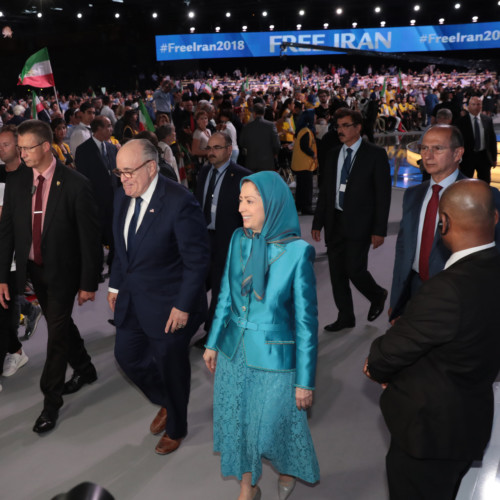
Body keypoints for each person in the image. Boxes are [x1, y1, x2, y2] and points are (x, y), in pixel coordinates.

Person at [365, 179, 500, 500]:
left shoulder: (446, 290)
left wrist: (378, 368)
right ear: (494, 218)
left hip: (429, 435)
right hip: (470, 421)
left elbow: (384, 355)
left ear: (444, 223)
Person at [203, 171, 320, 500]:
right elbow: (225, 295)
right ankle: (247, 488)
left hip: (274, 359)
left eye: (250, 201)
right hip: (233, 353)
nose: (241, 207)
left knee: (274, 426)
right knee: (239, 424)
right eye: (241, 200)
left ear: (272, 205)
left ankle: (285, 468)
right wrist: (212, 343)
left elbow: (306, 323)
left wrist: (305, 381)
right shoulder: (238, 239)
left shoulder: (298, 253)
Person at [108, 138, 209, 455]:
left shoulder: (180, 202)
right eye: (119, 172)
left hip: (170, 306)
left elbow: (197, 262)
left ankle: (177, 426)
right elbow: (122, 251)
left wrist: (182, 305)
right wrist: (114, 285)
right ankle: (166, 401)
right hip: (132, 300)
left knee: (171, 368)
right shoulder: (122, 197)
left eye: (129, 171)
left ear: (151, 167)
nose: (123, 178)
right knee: (127, 357)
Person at [0, 119, 102, 433]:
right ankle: (85, 369)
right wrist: (3, 275)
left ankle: (50, 402)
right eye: (19, 147)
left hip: (64, 273)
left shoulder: (75, 183)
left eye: (27, 147)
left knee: (55, 333)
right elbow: (6, 233)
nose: (22, 153)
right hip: (33, 271)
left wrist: (88, 282)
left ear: (46, 147)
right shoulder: (16, 182)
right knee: (62, 322)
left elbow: (90, 238)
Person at [389, 124, 500, 321]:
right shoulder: (413, 195)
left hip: (459, 297)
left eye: (437, 148)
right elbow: (403, 249)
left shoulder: (484, 196)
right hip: (415, 290)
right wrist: (397, 301)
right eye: (424, 148)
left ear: (458, 153)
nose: (428, 156)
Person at [312, 108, 391, 332]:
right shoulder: (332, 154)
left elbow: (383, 196)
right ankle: (345, 316)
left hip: (361, 222)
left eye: (346, 125)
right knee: (337, 273)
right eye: (338, 126)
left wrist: (380, 230)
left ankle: (377, 294)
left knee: (355, 269)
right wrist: (318, 222)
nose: (341, 130)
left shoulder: (375, 154)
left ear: (358, 128)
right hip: (334, 220)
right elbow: (326, 192)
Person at [194, 131, 250, 345]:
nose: (211, 152)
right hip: (203, 238)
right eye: (209, 148)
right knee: (198, 283)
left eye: (216, 148)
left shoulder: (242, 176)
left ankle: (215, 333)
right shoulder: (204, 171)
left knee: (220, 287)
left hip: (228, 240)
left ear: (228, 150)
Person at [75, 116, 119, 274]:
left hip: (113, 200)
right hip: (94, 202)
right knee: (95, 238)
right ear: (98, 129)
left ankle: (115, 266)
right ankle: (97, 270)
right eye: (108, 126)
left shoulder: (112, 148)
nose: (111, 129)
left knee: (115, 235)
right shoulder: (83, 150)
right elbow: (82, 178)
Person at [457, 96, 497, 184]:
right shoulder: (461, 122)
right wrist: (457, 161)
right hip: (467, 158)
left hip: (484, 157)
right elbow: (457, 143)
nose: (476, 107)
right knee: (465, 183)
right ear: (468, 106)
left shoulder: (487, 120)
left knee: (485, 183)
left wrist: (493, 158)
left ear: (481, 106)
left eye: (478, 104)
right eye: (473, 104)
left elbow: (492, 140)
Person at [239, 103, 281, 172]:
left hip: (251, 162)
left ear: (254, 113)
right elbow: (277, 145)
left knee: (253, 182)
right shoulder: (271, 126)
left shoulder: (247, 127)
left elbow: (241, 143)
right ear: (264, 113)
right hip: (267, 162)